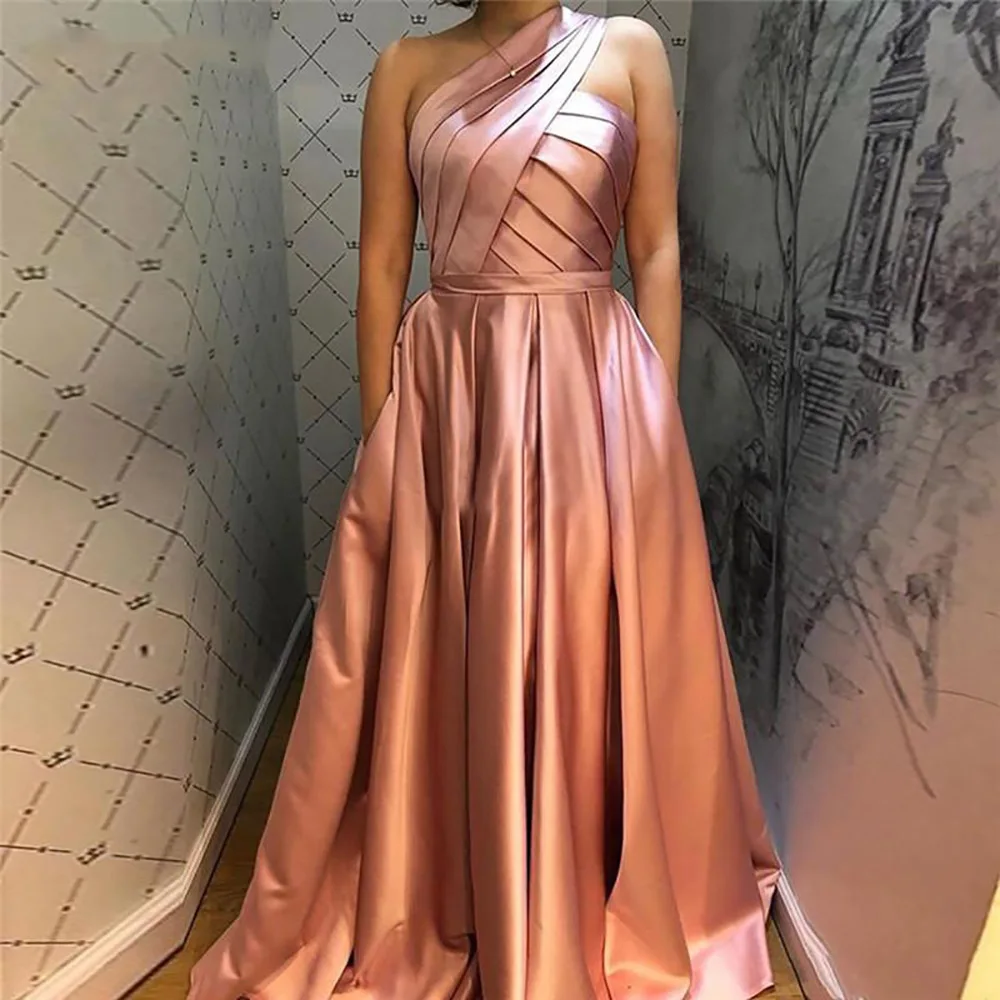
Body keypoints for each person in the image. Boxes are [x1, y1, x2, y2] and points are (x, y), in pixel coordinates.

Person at [187, 2, 780, 998]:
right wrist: (384, 431)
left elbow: (655, 249)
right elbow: (384, 260)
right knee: (458, 629)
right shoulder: (406, 66)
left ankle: (585, 876)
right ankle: (462, 877)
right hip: (453, 389)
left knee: (585, 630)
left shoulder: (630, 49)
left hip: (593, 386)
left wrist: (655, 415)